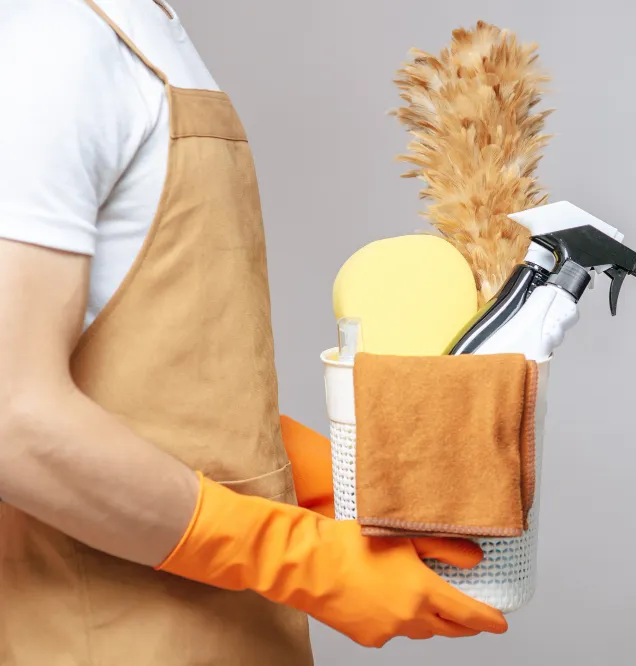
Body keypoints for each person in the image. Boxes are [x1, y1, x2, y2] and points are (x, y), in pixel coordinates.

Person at [0, 1, 508, 663]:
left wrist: (320, 482)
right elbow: (14, 419)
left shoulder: (142, 32)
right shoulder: (53, 44)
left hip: (228, 630)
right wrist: (300, 557)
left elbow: (144, 376)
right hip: (107, 634)